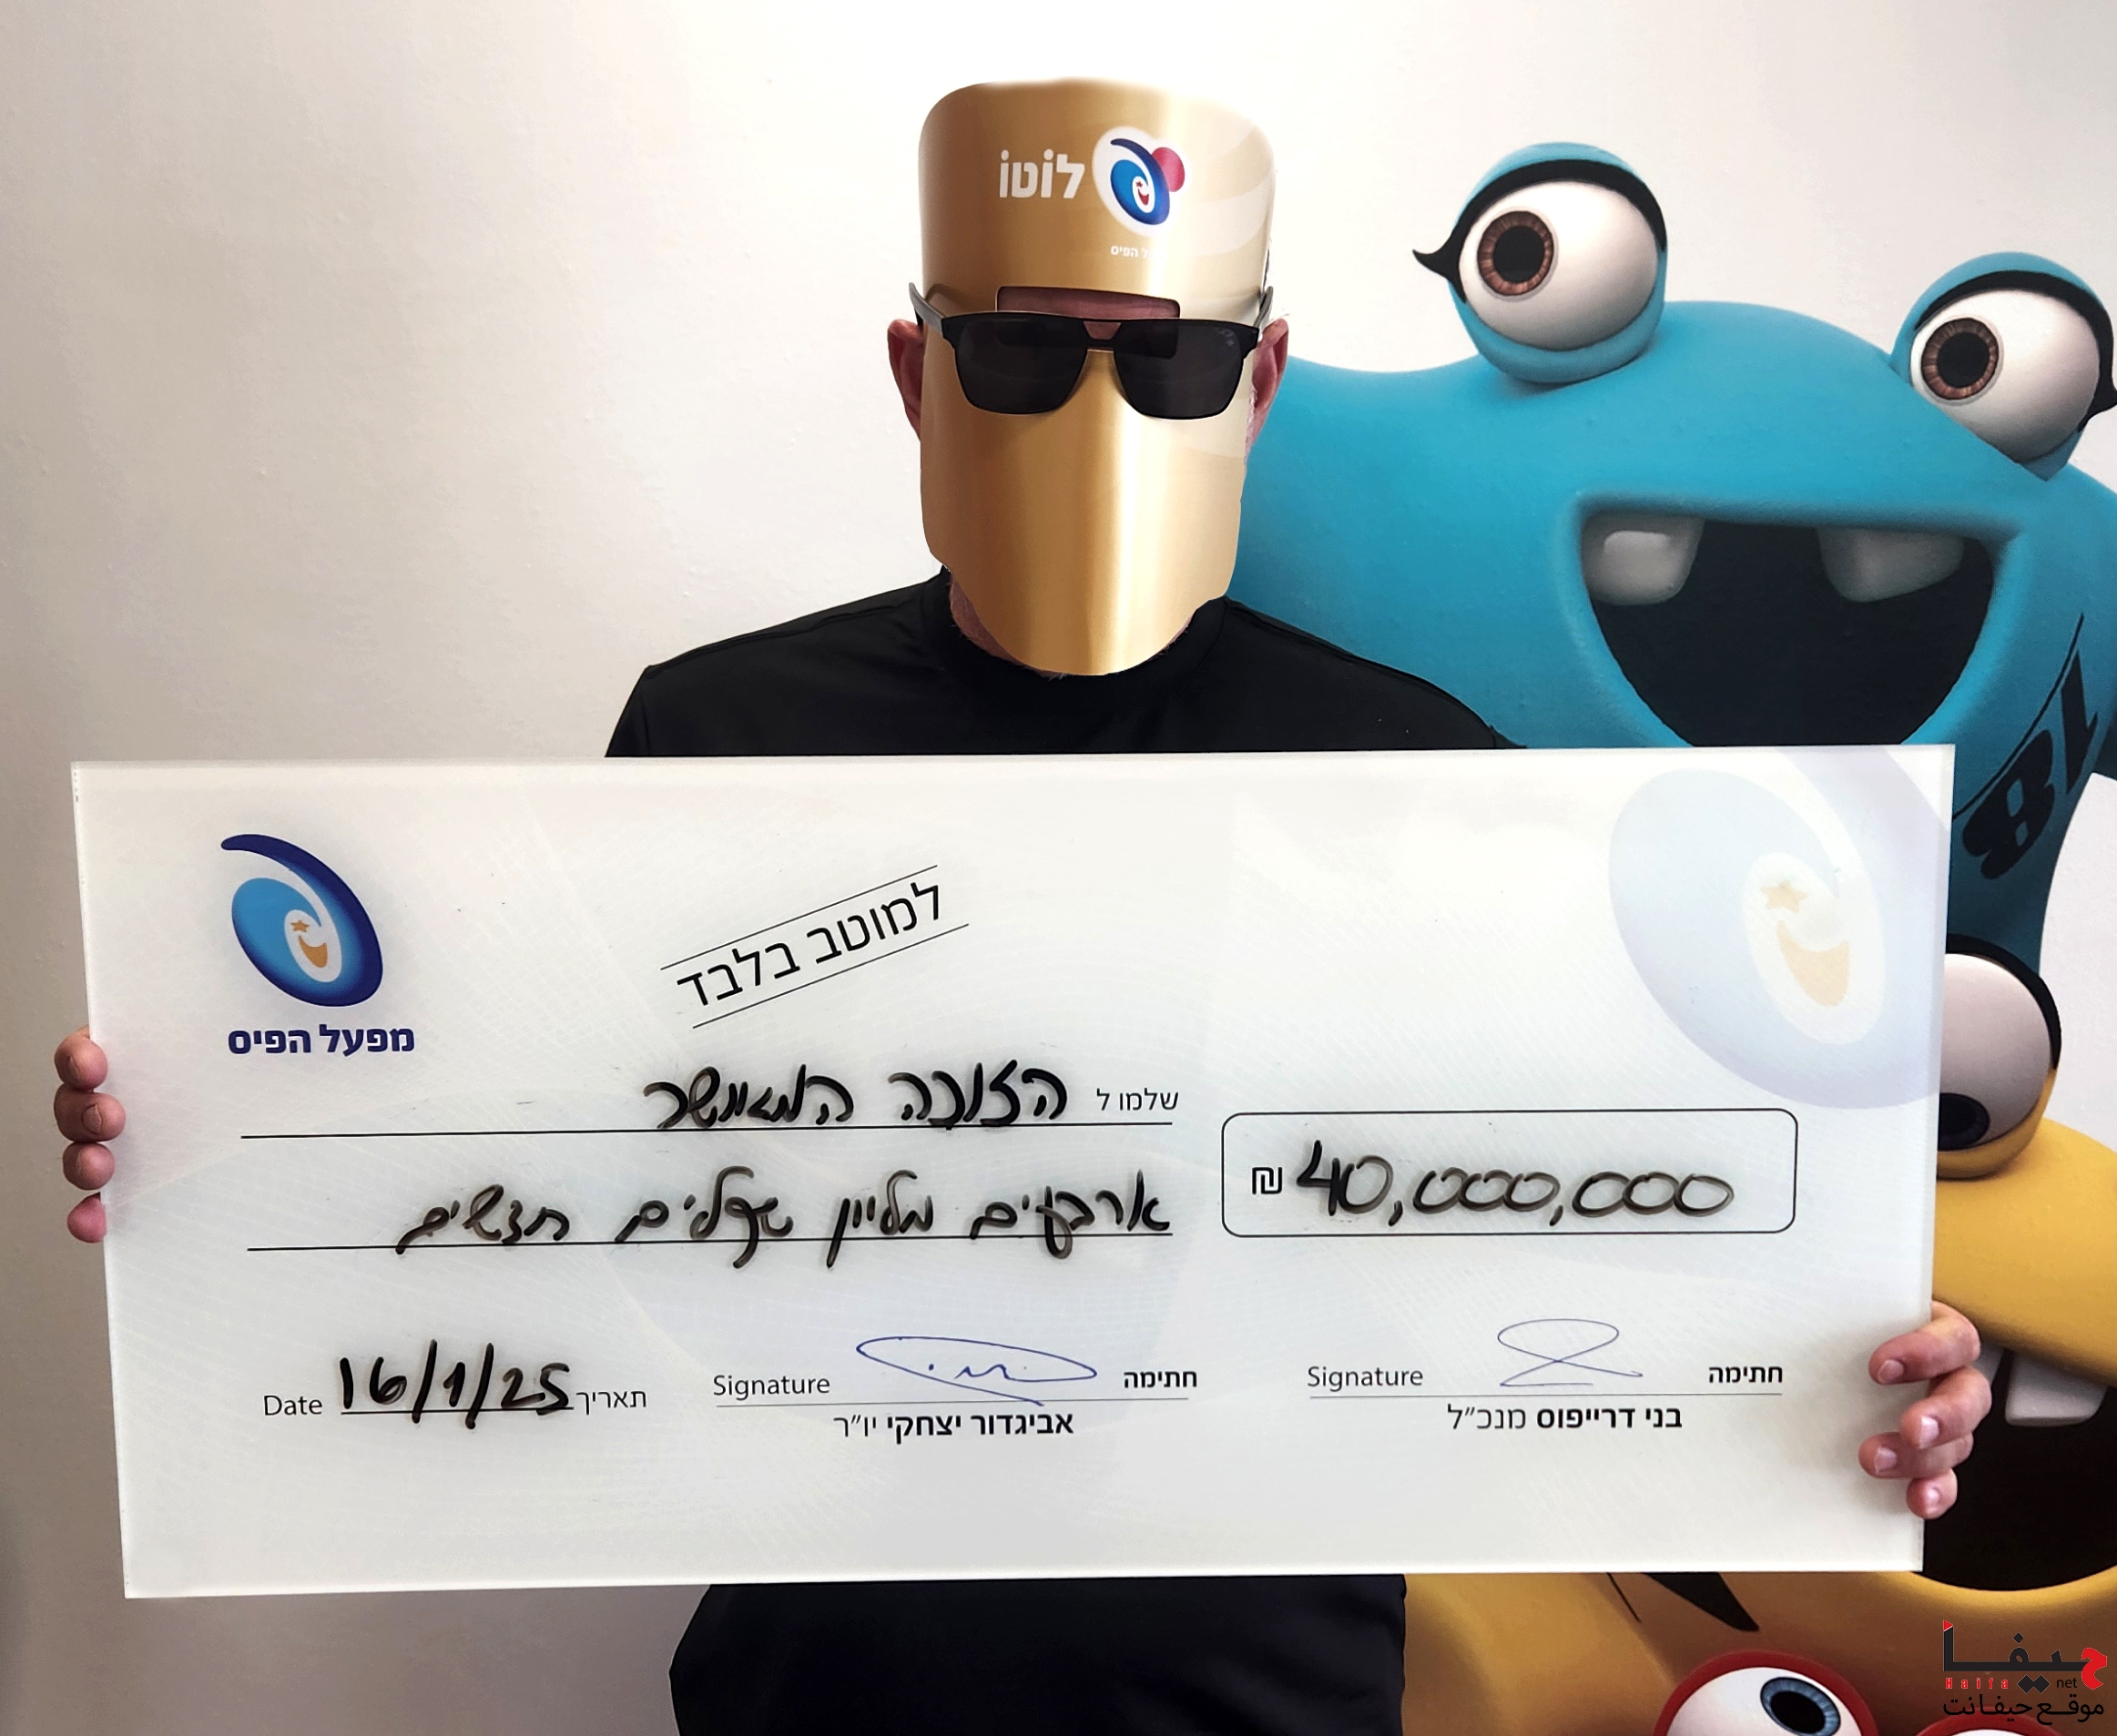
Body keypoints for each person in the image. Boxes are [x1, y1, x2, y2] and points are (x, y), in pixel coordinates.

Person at [52, 78, 1989, 1736]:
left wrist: (1845, 1367)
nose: (1096, 405)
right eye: (1016, 351)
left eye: (1168, 355)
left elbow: (1592, 1224)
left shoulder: (1422, 774)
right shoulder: (722, 736)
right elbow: (548, 1157)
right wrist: (228, 1150)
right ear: (917, 371)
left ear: (1257, 380)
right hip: (822, 1689)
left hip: (1256, 1695)